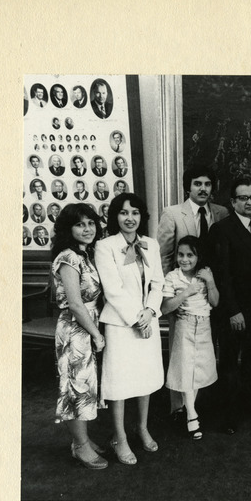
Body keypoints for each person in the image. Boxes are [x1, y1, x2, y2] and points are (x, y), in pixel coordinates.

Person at [94, 193, 165, 465]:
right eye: (124, 213)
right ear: (116, 217)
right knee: (121, 381)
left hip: (148, 318)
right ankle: (119, 437)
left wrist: (150, 312)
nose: (130, 218)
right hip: (121, 323)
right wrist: (137, 318)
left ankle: (143, 427)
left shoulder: (151, 244)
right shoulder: (105, 246)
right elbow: (113, 290)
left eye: (135, 213)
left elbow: (157, 283)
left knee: (144, 377)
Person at [208, 176, 251, 432]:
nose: (249, 202)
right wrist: (233, 310)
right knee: (230, 363)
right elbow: (222, 274)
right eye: (243, 198)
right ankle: (229, 415)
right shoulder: (222, 229)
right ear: (233, 202)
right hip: (234, 311)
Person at [50, 203, 108, 469]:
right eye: (80, 224)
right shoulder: (68, 257)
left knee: (84, 387)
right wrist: (96, 333)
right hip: (75, 329)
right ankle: (80, 447)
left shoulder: (85, 254)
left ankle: (81, 440)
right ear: (68, 228)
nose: (87, 229)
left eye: (91, 223)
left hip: (87, 324)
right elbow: (75, 303)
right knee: (75, 388)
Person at [163, 236, 219, 440]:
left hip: (204, 326)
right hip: (184, 324)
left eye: (190, 255)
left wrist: (210, 282)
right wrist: (187, 292)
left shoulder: (205, 274)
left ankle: (189, 410)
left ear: (198, 256)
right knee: (186, 368)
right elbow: (165, 307)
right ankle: (192, 416)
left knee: (198, 370)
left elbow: (215, 302)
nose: (184, 259)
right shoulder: (172, 277)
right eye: (181, 254)